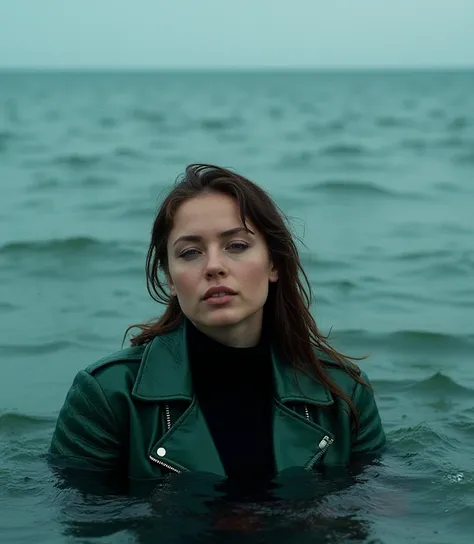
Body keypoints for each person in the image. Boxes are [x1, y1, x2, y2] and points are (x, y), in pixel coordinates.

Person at [48, 163, 385, 491]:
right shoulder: (106, 396)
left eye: (236, 246)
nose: (213, 266)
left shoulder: (344, 393)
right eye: (190, 252)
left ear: (273, 264)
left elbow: (374, 511)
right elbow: (81, 529)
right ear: (168, 277)